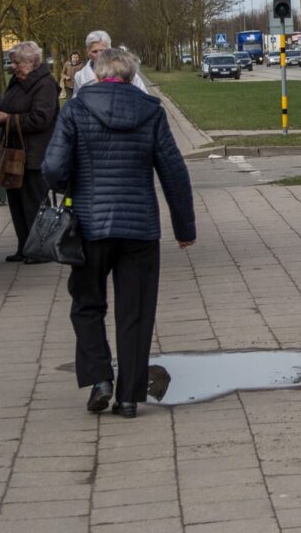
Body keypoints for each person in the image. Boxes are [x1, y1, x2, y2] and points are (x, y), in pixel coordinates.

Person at [44, 47, 195, 419]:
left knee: (86, 304)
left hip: (90, 226)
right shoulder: (151, 112)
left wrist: (70, 186)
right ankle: (128, 397)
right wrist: (184, 227)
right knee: (136, 313)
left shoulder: (76, 110)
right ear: (131, 76)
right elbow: (173, 170)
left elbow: (52, 167)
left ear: (96, 75)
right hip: (139, 228)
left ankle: (99, 379)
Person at [0, 41, 59, 263]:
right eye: (12, 62)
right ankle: (24, 246)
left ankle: (41, 250)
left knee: (34, 202)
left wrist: (10, 119)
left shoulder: (45, 85)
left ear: (32, 62)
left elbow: (41, 119)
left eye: (17, 63)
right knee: (16, 202)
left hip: (35, 154)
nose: (12, 67)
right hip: (14, 153)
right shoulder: (16, 83)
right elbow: (8, 110)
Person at [74, 30, 148, 95]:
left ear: (110, 50)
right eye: (94, 51)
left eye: (102, 50)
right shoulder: (80, 77)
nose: (99, 55)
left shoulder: (126, 71)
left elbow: (143, 96)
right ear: (88, 53)